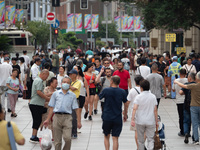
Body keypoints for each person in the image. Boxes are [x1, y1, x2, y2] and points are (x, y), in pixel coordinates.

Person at [43, 77, 79, 150]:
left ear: (70, 84)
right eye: (64, 82)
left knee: (68, 138)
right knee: (57, 141)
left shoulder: (72, 95)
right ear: (61, 83)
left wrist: (79, 121)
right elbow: (51, 107)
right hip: (57, 117)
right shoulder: (56, 94)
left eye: (67, 82)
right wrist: (47, 119)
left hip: (67, 117)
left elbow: (76, 109)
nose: (65, 83)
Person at [99, 75, 128, 150]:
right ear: (119, 82)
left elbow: (99, 97)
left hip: (107, 116)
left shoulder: (106, 90)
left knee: (106, 136)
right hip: (117, 117)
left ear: (111, 81)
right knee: (115, 138)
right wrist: (125, 113)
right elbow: (126, 103)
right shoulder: (122, 91)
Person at [131, 80, 158, 150]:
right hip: (150, 120)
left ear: (141, 88)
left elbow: (134, 108)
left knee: (140, 140)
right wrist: (156, 121)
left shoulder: (138, 97)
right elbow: (155, 110)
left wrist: (132, 119)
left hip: (140, 120)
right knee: (150, 139)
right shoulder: (153, 97)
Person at [174, 72, 200, 145]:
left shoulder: (192, 85)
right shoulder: (195, 85)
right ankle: (195, 137)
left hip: (192, 106)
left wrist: (176, 81)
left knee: (190, 122)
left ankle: (191, 136)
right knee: (197, 123)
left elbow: (181, 90)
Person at [29, 69, 50, 143]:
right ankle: (33, 136)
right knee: (37, 120)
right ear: (43, 74)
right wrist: (46, 98)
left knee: (37, 120)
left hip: (37, 103)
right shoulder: (39, 81)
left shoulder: (38, 80)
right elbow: (38, 92)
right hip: (36, 104)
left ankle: (34, 135)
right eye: (46, 76)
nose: (46, 78)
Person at [127, 75, 144, 150]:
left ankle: (138, 147)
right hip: (145, 113)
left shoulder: (132, 91)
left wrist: (125, 111)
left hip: (135, 114)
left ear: (135, 82)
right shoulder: (146, 90)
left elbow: (128, 102)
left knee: (136, 132)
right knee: (144, 132)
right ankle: (142, 145)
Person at [179, 72, 196, 144]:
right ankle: (195, 137)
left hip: (186, 105)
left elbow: (180, 92)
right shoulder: (196, 85)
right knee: (195, 122)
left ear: (189, 78)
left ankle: (186, 133)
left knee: (186, 121)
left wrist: (184, 92)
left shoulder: (186, 85)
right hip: (195, 105)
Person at [172, 68, 188, 137]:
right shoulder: (188, 80)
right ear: (185, 74)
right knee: (187, 116)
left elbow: (173, 90)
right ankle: (187, 131)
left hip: (179, 101)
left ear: (179, 73)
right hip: (187, 100)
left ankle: (182, 131)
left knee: (181, 116)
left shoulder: (176, 81)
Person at [69, 69, 82, 139]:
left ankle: (74, 132)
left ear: (74, 75)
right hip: (68, 99)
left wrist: (66, 85)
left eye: (71, 74)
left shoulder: (78, 82)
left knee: (74, 117)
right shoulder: (69, 82)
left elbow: (73, 88)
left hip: (74, 100)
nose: (70, 76)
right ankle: (69, 131)